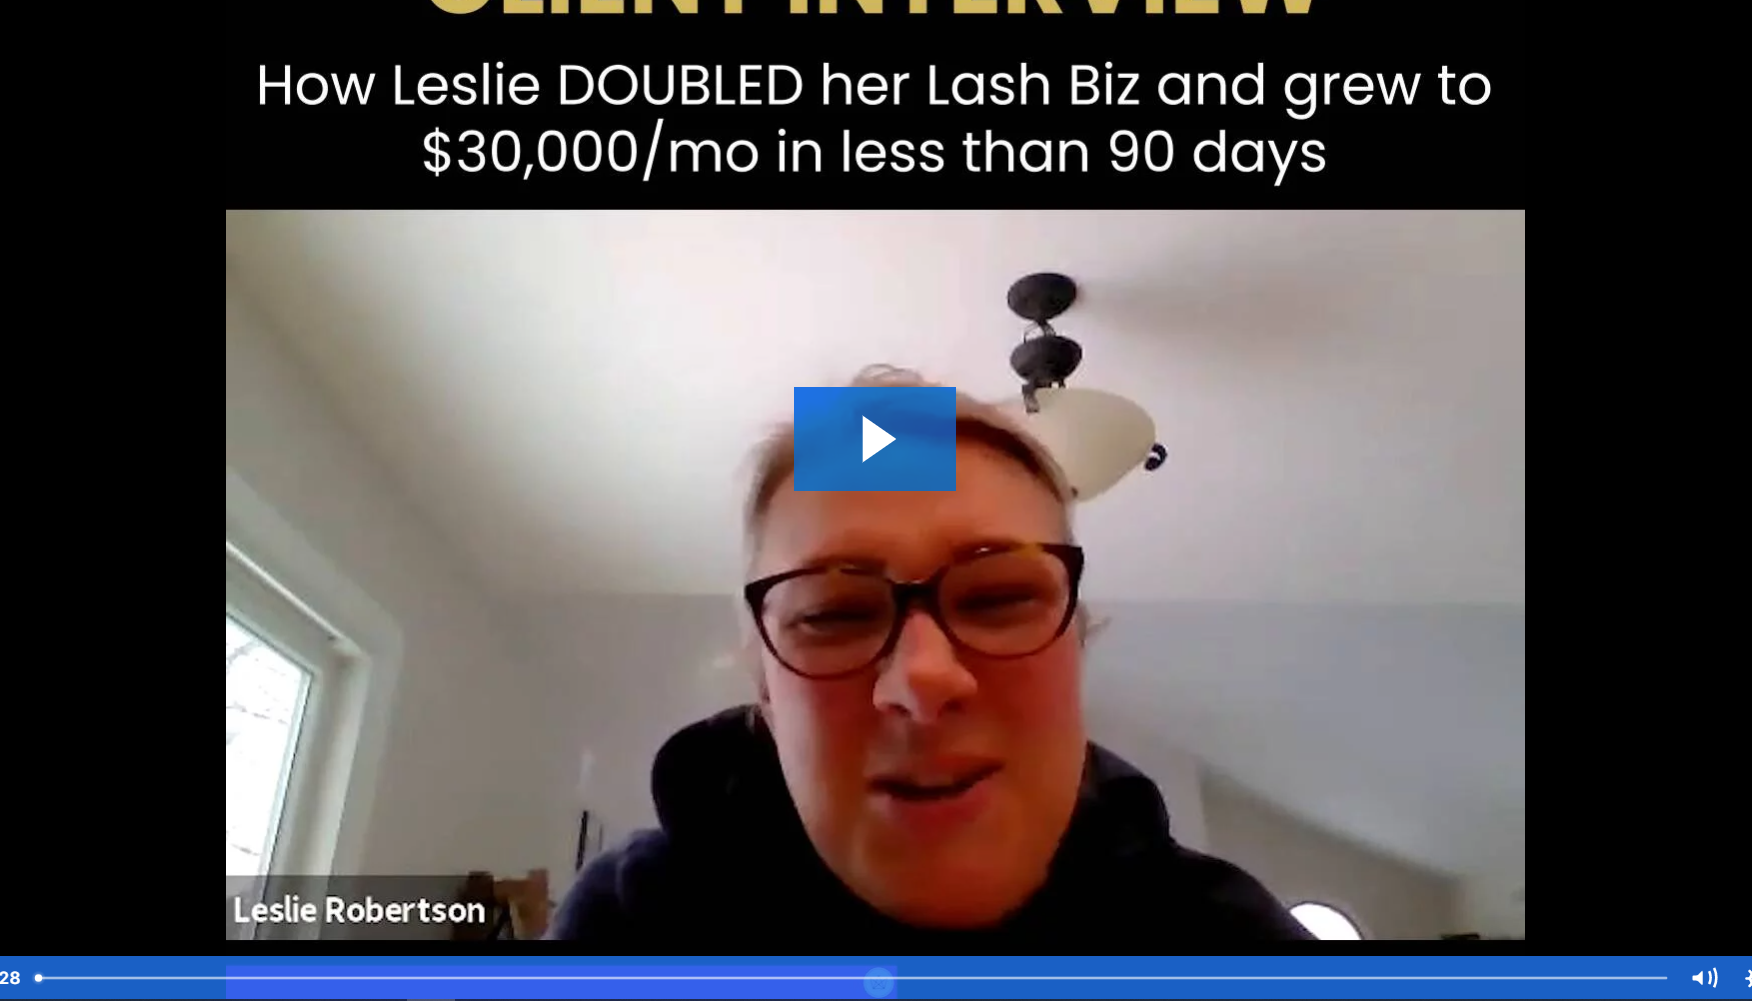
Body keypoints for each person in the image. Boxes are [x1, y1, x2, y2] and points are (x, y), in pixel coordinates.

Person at [553, 367, 1314, 944]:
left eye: (1000, 598)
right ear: (766, 695)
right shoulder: (625, 928)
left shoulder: (1233, 942)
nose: (924, 676)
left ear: (1075, 643)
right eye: (833, 614)